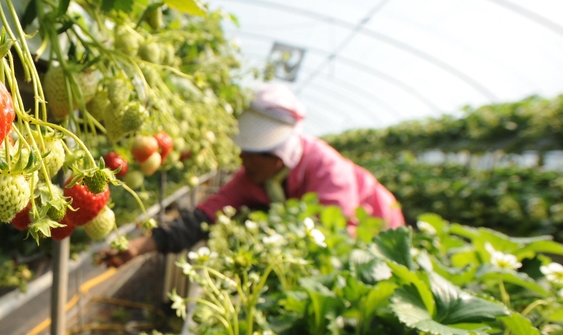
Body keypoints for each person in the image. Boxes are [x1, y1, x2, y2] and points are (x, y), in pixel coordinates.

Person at [101, 83, 405, 267]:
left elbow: (334, 239)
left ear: (277, 156)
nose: (241, 158)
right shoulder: (252, 177)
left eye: (251, 152)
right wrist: (141, 246)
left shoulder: (328, 171)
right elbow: (204, 217)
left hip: (380, 233)